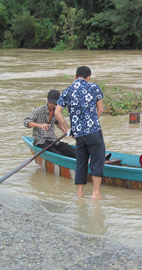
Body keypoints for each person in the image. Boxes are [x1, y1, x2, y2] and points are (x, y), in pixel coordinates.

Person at [55, 66, 106, 199]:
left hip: (78, 134)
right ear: (88, 78)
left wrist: (68, 129)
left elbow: (57, 112)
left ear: (75, 76)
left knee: (81, 161)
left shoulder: (67, 91)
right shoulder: (94, 87)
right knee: (97, 161)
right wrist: (92, 121)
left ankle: (80, 193)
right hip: (93, 132)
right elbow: (100, 109)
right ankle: (96, 193)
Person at [23, 89, 76, 158]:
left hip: (53, 140)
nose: (52, 104)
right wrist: (39, 125)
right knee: (57, 155)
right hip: (41, 141)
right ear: (47, 98)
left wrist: (63, 129)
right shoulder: (38, 111)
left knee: (73, 151)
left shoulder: (56, 112)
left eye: (54, 103)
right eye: (50, 102)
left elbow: (57, 122)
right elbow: (26, 122)